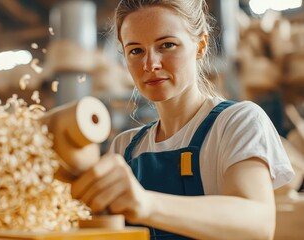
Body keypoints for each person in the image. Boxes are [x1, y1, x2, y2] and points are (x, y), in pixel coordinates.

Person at [70, 0, 295, 239]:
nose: (150, 64)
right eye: (136, 50)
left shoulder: (238, 122)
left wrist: (147, 204)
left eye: (167, 45)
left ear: (200, 45)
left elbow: (257, 225)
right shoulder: (124, 148)